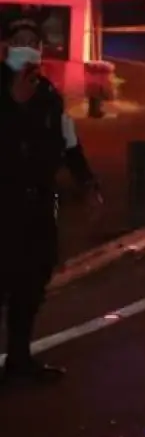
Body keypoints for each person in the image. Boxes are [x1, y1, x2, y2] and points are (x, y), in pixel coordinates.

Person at [0, 44, 103, 383]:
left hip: (39, 202)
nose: (33, 74)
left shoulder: (48, 98)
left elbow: (68, 142)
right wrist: (14, 103)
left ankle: (19, 359)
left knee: (32, 279)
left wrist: (87, 185)